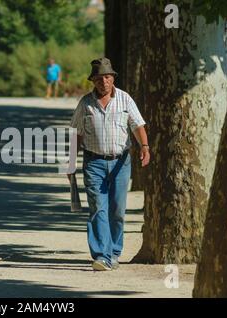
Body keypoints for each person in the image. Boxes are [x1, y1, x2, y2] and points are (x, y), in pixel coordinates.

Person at [69, 57, 150, 271]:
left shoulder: (125, 99)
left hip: (120, 163)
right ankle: (101, 255)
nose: (103, 82)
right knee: (97, 208)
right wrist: (70, 162)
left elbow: (138, 124)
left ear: (112, 78)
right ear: (93, 81)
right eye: (98, 79)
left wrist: (145, 147)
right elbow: (76, 134)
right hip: (93, 162)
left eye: (106, 77)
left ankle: (114, 252)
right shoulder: (85, 103)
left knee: (117, 210)